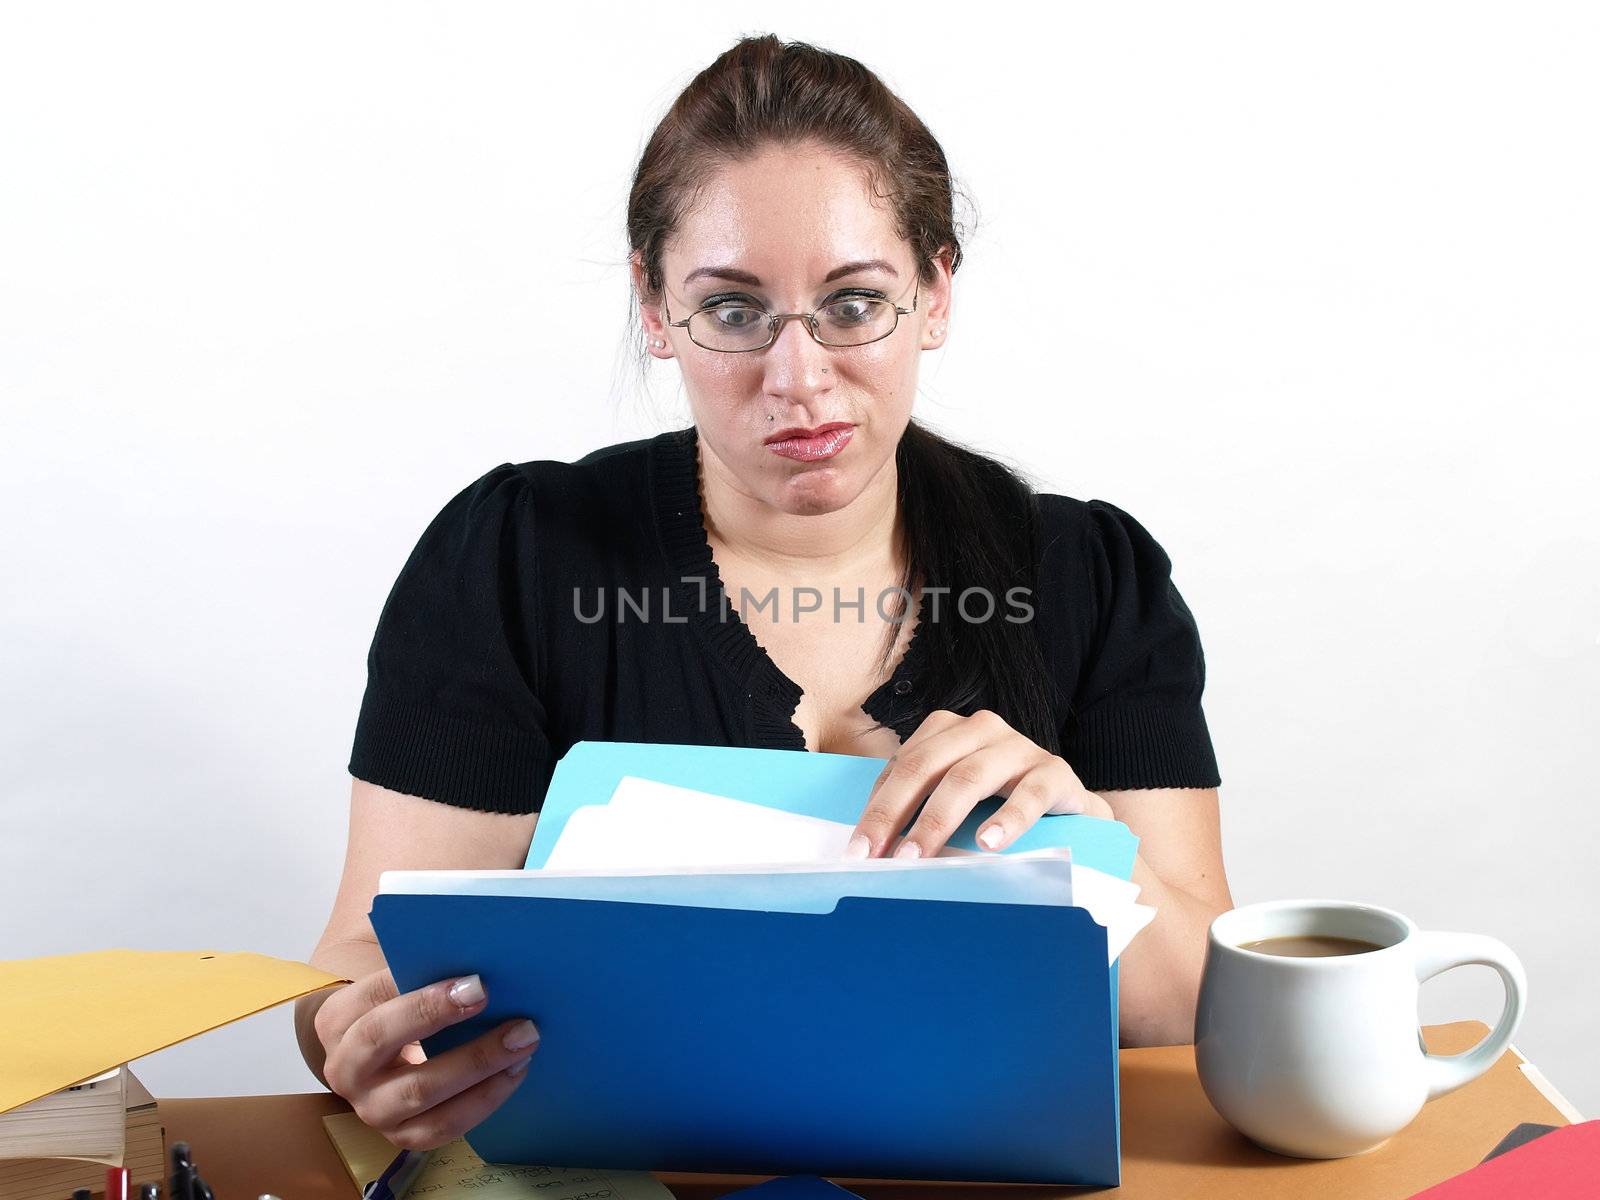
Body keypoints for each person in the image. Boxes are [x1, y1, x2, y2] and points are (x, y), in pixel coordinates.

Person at [294, 32, 1233, 1153]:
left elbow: (1203, 1005)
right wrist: (355, 1033)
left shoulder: (1092, 579)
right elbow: (358, 961)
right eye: (734, 312)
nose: (798, 378)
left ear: (936, 292)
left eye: (854, 303)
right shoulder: (512, 562)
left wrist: (1081, 849)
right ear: (654, 308)